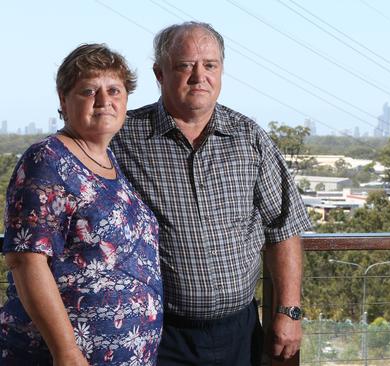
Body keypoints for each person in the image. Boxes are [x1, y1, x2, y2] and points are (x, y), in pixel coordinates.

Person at [110, 21, 311, 365]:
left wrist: (289, 311)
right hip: (159, 333)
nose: (198, 75)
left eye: (210, 65)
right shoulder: (122, 138)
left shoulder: (249, 137)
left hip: (241, 332)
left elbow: (284, 228)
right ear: (160, 73)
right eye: (185, 65)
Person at [0, 44, 163, 365]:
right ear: (63, 100)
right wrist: (67, 351)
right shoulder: (47, 160)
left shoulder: (109, 160)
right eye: (89, 91)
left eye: (114, 90)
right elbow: (26, 261)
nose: (105, 100)